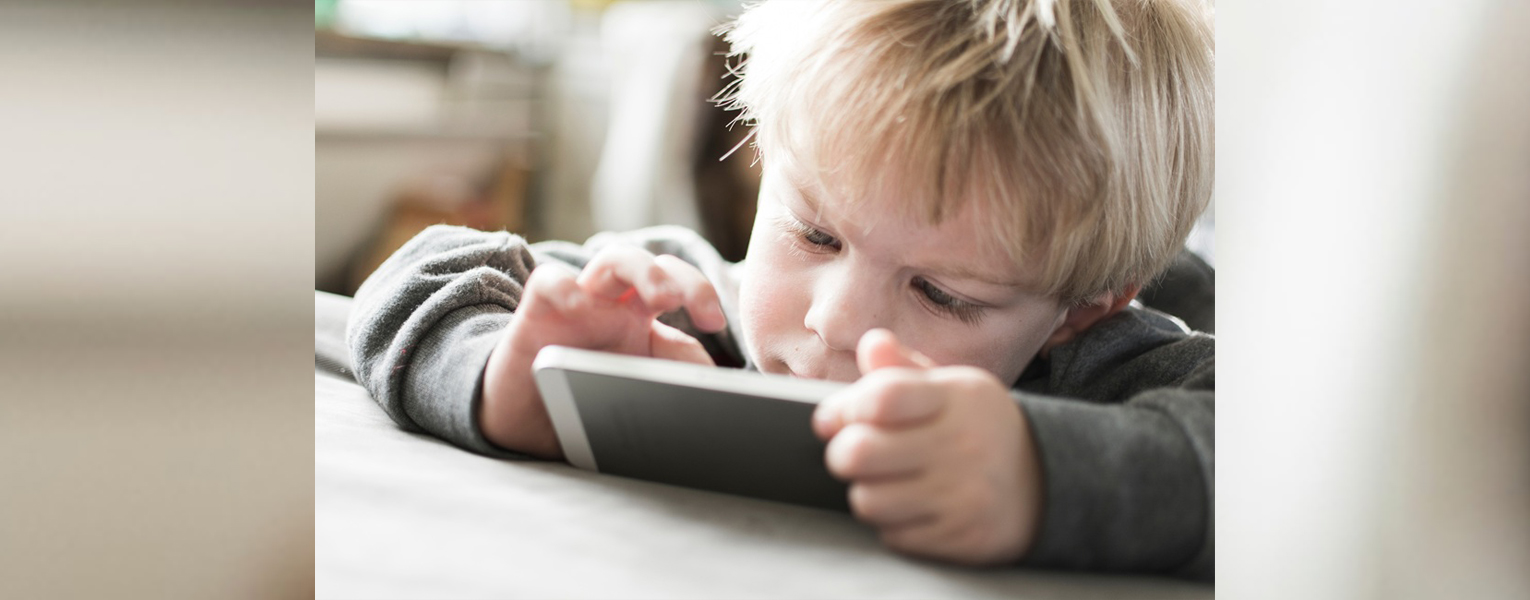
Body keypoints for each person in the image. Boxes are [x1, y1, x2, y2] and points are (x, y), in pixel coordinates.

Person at [347, 0, 1214, 580]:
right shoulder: (682, 302)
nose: (833, 320)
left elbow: (1273, 461)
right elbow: (420, 276)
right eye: (816, 235)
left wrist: (1039, 472)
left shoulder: (1109, 371)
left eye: (941, 293)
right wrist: (502, 375)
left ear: (1079, 314)